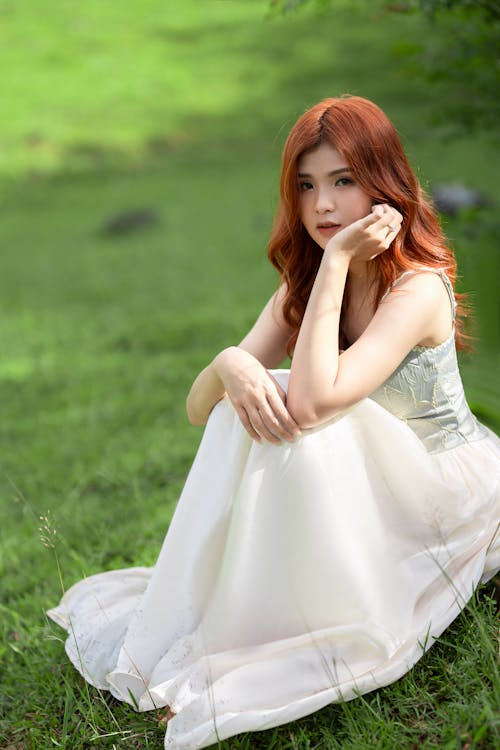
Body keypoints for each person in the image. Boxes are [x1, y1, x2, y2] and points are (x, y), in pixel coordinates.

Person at [48, 96, 500, 750]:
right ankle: (234, 625)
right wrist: (232, 362)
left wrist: (339, 265)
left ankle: (268, 633)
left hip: (442, 486)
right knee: (250, 394)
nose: (321, 206)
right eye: (306, 186)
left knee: (293, 397)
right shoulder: (305, 285)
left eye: (343, 181)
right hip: (363, 485)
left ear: (385, 183)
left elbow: (317, 402)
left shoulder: (416, 288)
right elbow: (198, 408)